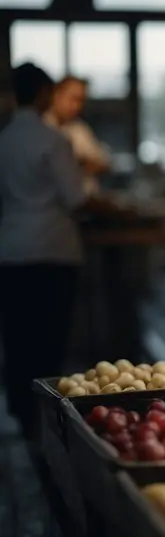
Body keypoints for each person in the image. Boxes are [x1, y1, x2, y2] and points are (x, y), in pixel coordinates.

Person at [0, 63, 86, 440]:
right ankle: (48, 413)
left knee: (17, 335)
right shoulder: (53, 140)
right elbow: (76, 199)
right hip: (52, 247)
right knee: (50, 338)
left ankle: (19, 408)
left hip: (12, 248)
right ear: (41, 94)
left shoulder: (3, 139)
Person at [44, 76, 111, 194]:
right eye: (73, 99)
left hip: (88, 203)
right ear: (57, 95)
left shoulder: (80, 129)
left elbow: (103, 164)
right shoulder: (42, 128)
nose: (77, 106)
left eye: (81, 101)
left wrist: (81, 163)